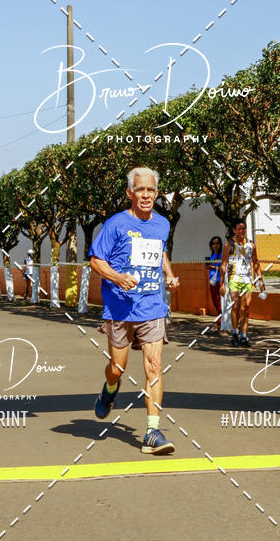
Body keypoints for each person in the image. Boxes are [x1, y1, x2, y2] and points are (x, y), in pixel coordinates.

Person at [89, 166, 179, 455]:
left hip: (152, 305)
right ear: (130, 193)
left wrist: (169, 274)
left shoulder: (162, 224)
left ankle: (153, 432)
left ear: (156, 193)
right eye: (140, 189)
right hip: (120, 308)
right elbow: (95, 261)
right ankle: (110, 389)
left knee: (154, 365)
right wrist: (118, 278)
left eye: (151, 190)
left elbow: (160, 250)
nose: (146, 195)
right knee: (117, 368)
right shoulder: (115, 225)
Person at [220, 221, 265, 347]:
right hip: (234, 279)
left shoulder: (251, 244)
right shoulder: (229, 244)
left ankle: (244, 335)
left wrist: (260, 280)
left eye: (243, 228)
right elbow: (223, 265)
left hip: (247, 279)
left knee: (245, 308)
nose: (242, 231)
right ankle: (234, 333)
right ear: (234, 230)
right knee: (235, 306)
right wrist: (222, 283)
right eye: (239, 228)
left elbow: (256, 263)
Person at [205, 236, 223, 330]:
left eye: (217, 243)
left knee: (220, 303)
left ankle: (220, 322)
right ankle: (220, 321)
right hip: (212, 281)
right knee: (215, 303)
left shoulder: (222, 255)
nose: (215, 245)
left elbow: (223, 268)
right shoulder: (212, 255)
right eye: (213, 243)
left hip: (219, 281)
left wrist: (213, 267)